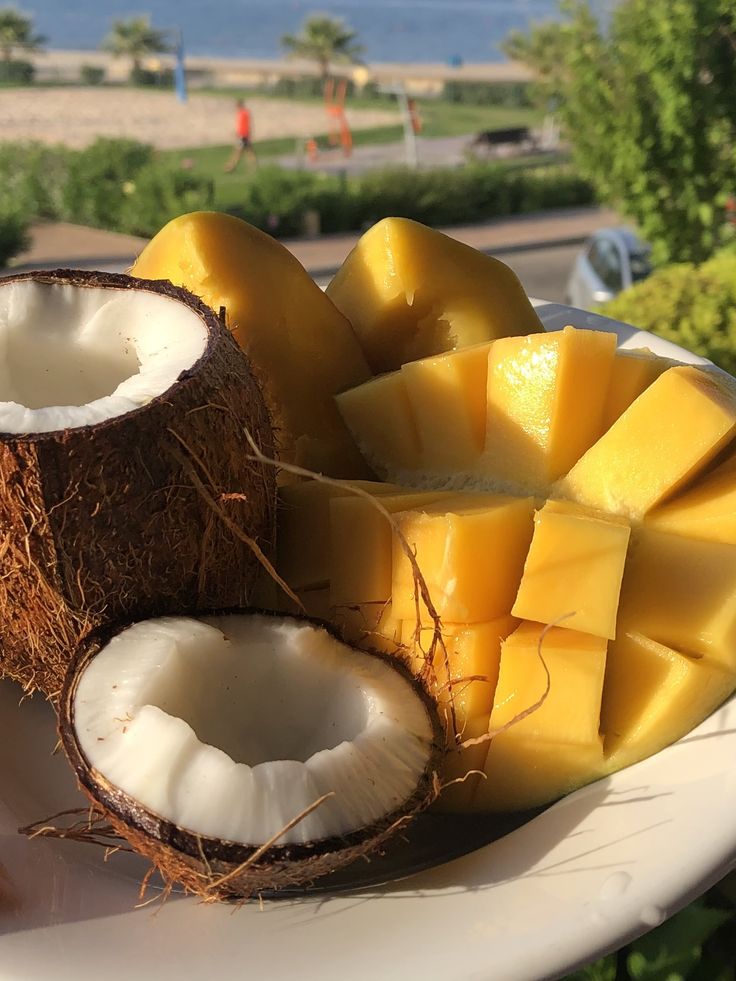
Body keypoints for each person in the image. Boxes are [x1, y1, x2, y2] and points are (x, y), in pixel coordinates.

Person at [224, 99, 257, 172]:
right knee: (248, 152)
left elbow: (245, 126)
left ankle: (230, 168)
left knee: (238, 152)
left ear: (239, 105)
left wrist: (240, 134)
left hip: (243, 135)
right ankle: (253, 167)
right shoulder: (243, 113)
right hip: (244, 135)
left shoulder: (243, 113)